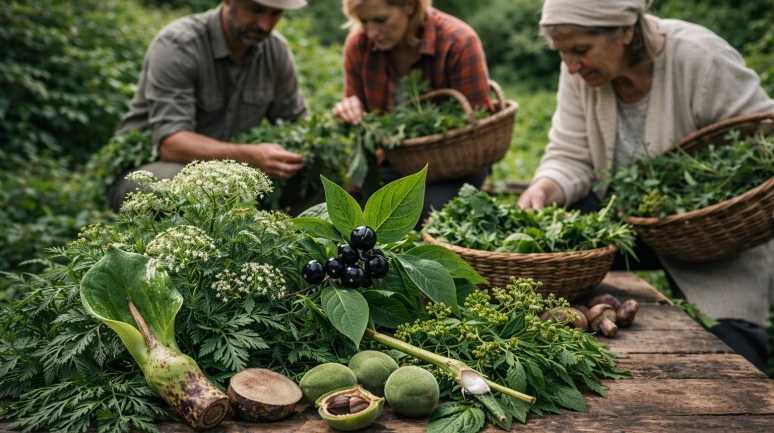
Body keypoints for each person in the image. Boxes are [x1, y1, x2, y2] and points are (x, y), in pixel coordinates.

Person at [517, 0, 774, 371]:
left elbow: (761, 139)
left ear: (625, 31)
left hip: (714, 237)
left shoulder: (701, 59)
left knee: (733, 356)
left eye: (581, 50)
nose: (570, 66)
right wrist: (544, 186)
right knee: (557, 243)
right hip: (625, 224)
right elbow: (570, 154)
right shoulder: (578, 71)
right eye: (562, 53)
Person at [108, 0, 312, 214]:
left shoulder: (275, 51)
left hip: (231, 178)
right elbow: (171, 145)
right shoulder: (179, 44)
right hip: (150, 168)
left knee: (322, 182)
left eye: (275, 14)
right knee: (199, 191)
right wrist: (251, 158)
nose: (264, 25)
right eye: (256, 10)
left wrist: (329, 129)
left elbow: (297, 123)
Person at [332, 0, 493, 226]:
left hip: (456, 166)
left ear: (409, 6)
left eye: (380, 20)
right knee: (352, 214)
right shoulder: (359, 46)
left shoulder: (457, 42)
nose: (372, 32)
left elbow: (480, 125)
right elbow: (357, 108)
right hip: (393, 162)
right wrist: (349, 109)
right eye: (364, 21)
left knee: (420, 216)